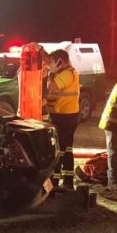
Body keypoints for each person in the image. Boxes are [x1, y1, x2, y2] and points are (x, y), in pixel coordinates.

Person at [45, 49, 80, 189]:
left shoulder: (67, 73)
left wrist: (50, 75)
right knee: (63, 149)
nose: (50, 65)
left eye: (52, 62)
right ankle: (62, 180)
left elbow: (52, 86)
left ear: (60, 61)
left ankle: (64, 181)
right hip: (63, 115)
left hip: (65, 116)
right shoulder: (64, 73)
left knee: (62, 149)